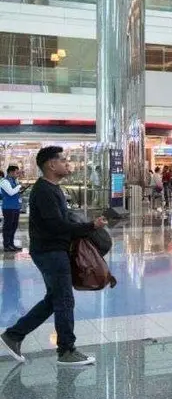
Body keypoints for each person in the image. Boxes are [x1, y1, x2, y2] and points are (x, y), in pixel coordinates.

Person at [1, 146, 107, 366]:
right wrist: (89, 226)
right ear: (51, 164)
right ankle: (66, 351)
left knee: (54, 300)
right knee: (65, 300)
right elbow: (57, 226)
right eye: (62, 160)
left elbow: (62, 221)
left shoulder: (54, 188)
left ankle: (14, 335)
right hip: (50, 252)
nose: (67, 163)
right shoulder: (44, 191)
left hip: (54, 251)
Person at [1, 166, 25, 252]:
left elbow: (16, 191)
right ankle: (6, 245)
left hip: (15, 207)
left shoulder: (14, 180)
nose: (17, 174)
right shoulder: (4, 181)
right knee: (8, 227)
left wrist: (21, 188)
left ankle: (11, 244)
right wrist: (19, 186)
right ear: (10, 172)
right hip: (8, 208)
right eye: (16, 172)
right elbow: (11, 192)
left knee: (14, 226)